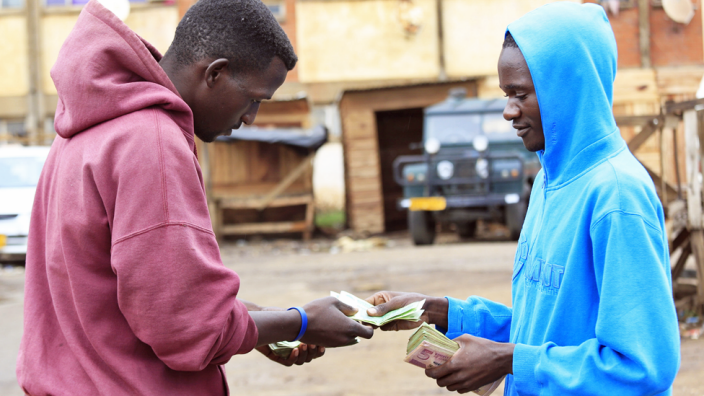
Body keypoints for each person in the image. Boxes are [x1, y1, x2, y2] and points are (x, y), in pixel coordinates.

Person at [16, 0, 373, 394]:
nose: (251, 117)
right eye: (254, 98)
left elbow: (138, 296)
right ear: (215, 74)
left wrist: (254, 324)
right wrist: (301, 322)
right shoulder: (152, 141)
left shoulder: (90, 129)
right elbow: (187, 330)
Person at [365, 3, 680, 395]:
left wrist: (507, 359)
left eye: (520, 94)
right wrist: (438, 311)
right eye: (505, 94)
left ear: (566, 89)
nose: (507, 111)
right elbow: (545, 326)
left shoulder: (616, 196)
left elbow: (643, 368)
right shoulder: (550, 182)